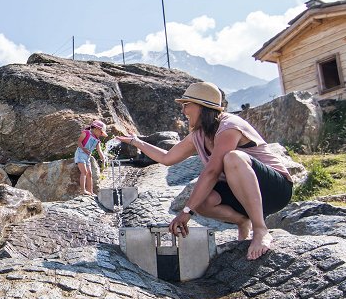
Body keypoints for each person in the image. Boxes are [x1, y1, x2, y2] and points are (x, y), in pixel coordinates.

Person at [117, 82, 293, 261]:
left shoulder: (229, 126)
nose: (183, 111)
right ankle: (242, 221)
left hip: (275, 189)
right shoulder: (198, 135)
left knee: (233, 158)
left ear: (202, 107)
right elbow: (167, 158)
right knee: (200, 202)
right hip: (243, 193)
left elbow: (212, 171)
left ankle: (260, 229)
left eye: (187, 105)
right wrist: (136, 142)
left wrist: (186, 212)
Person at [75, 120, 108, 195]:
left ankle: (90, 191)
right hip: (80, 154)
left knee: (89, 174)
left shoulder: (97, 140)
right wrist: (83, 149)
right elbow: (79, 142)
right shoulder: (86, 133)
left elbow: (99, 150)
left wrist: (103, 158)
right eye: (101, 132)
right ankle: (83, 190)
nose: (100, 134)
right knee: (84, 172)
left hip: (87, 157)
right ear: (96, 129)